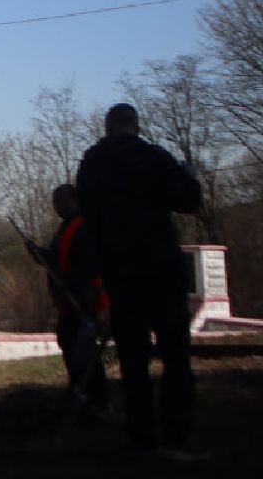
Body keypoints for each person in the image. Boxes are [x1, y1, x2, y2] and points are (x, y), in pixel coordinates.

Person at [75, 103, 203, 459]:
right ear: (135, 125)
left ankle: (141, 436)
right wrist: (188, 177)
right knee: (176, 355)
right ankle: (177, 436)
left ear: (107, 126)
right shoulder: (153, 157)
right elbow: (189, 200)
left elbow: (85, 211)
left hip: (120, 270)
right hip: (161, 267)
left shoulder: (93, 163)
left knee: (133, 357)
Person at [41, 184, 109, 415]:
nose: (57, 206)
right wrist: (40, 255)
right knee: (70, 347)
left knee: (85, 354)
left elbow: (91, 268)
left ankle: (95, 399)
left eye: (62, 201)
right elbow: (57, 261)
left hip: (84, 303)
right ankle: (79, 392)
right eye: (55, 202)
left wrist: (99, 304)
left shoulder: (84, 228)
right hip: (68, 305)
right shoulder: (65, 229)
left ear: (75, 201)